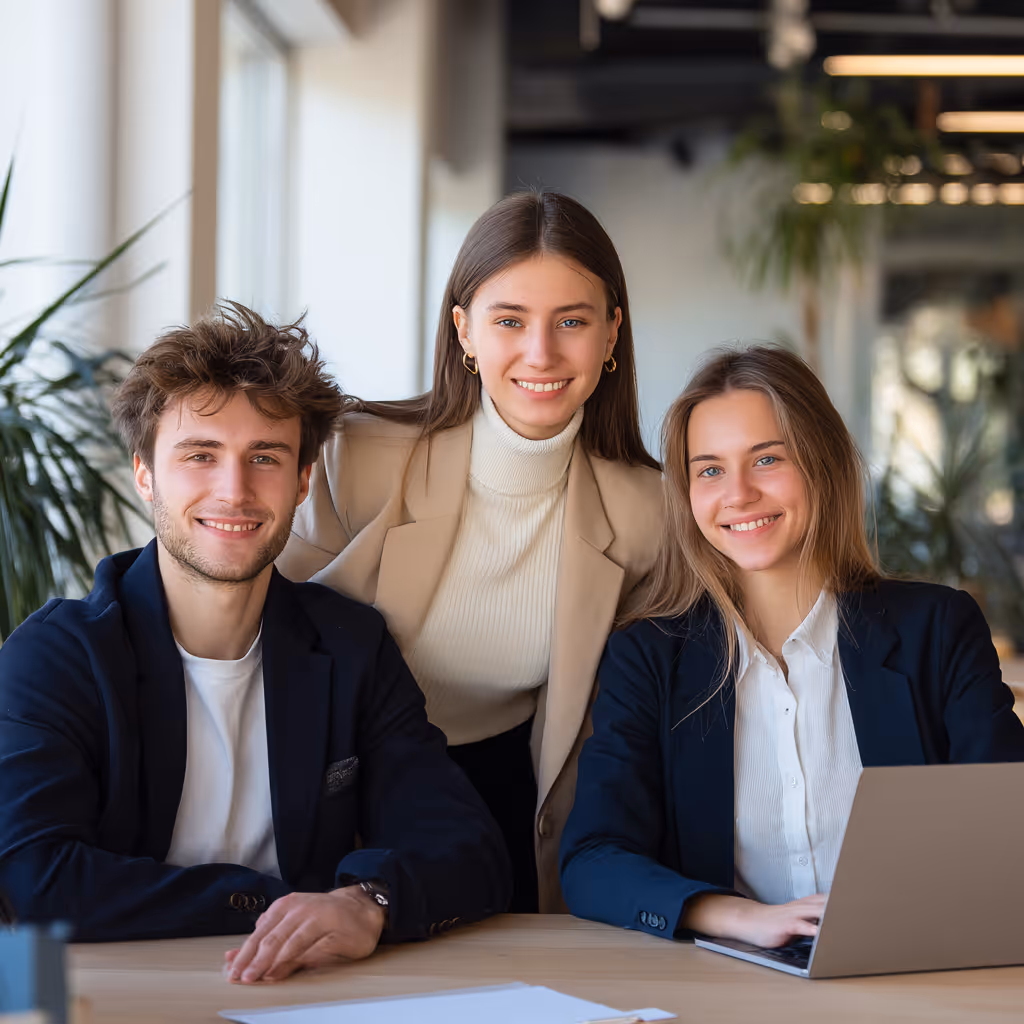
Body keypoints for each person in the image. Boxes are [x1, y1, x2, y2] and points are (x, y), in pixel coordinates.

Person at [0, 304, 510, 981]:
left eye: (263, 458)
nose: (234, 491)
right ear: (145, 475)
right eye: (200, 456)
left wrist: (368, 902)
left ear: (302, 480)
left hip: (300, 989)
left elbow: (467, 846)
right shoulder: (58, 655)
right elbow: (35, 879)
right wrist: (276, 903)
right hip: (120, 993)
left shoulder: (350, 645)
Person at [560, 344, 1024, 948]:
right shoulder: (648, 656)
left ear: (822, 464)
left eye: (767, 459)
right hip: (730, 981)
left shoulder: (936, 630)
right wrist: (738, 917)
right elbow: (593, 859)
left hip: (915, 964)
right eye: (710, 470)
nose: (739, 493)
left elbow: (1006, 821)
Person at [277, 191, 663, 913]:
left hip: (506, 798)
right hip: (337, 784)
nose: (540, 353)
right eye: (509, 320)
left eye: (571, 322)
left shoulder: (649, 515)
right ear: (464, 331)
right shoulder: (354, 459)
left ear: (612, 334)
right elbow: (272, 647)